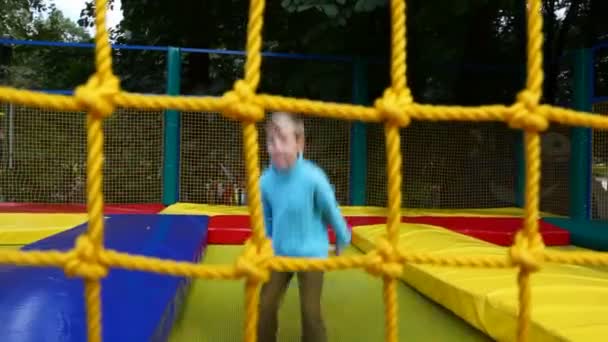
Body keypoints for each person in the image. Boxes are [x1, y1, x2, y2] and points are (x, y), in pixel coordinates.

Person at [258, 112, 351, 342]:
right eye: (271, 140)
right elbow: (267, 216)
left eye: (283, 140)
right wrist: (267, 240)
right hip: (281, 252)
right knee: (265, 305)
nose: (276, 147)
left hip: (311, 254)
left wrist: (342, 237)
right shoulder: (265, 181)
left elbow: (331, 210)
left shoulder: (313, 178)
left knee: (310, 312)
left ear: (299, 143)